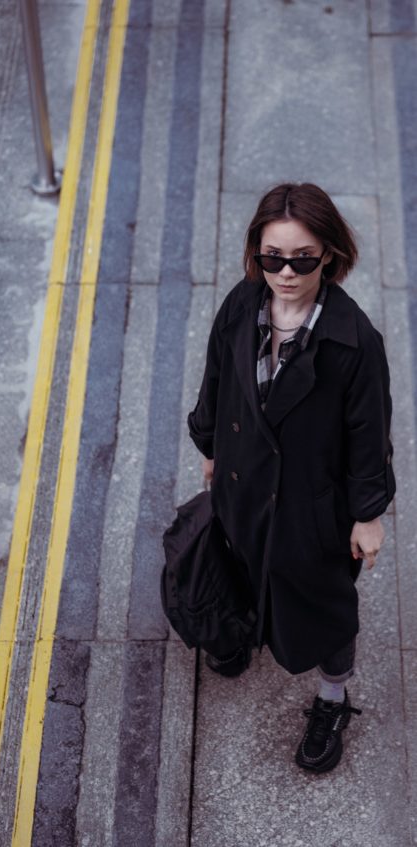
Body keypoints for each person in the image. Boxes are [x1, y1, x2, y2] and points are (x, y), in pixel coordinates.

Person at [187, 182, 396, 773]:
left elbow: (370, 435)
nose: (285, 272)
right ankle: (241, 629)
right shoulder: (242, 304)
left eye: (302, 259)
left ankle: (332, 697)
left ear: (328, 254)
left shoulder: (355, 343)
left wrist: (368, 514)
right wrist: (211, 443)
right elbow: (217, 377)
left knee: (324, 604)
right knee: (242, 562)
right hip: (244, 481)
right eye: (272, 257)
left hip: (312, 505)